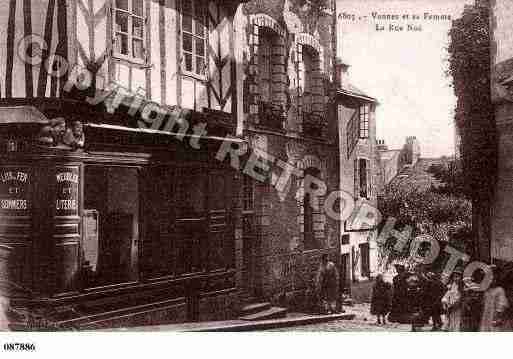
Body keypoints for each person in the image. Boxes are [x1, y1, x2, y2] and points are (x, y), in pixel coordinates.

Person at [480, 267, 510, 331]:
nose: (492, 281)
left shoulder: (499, 290)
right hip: (486, 315)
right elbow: (483, 303)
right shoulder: (487, 291)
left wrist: (498, 317)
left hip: (494, 315)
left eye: (493, 279)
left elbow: (502, 304)